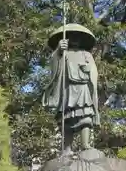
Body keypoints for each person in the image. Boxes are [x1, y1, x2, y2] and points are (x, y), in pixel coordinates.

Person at [43, 23, 100, 156]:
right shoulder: (63, 53)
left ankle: (85, 144)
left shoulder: (86, 54)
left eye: (77, 37)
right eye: (71, 36)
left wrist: (89, 70)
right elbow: (54, 66)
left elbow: (94, 71)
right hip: (67, 90)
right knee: (66, 118)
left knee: (85, 116)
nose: (74, 39)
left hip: (82, 88)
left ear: (81, 40)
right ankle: (67, 148)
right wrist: (58, 51)